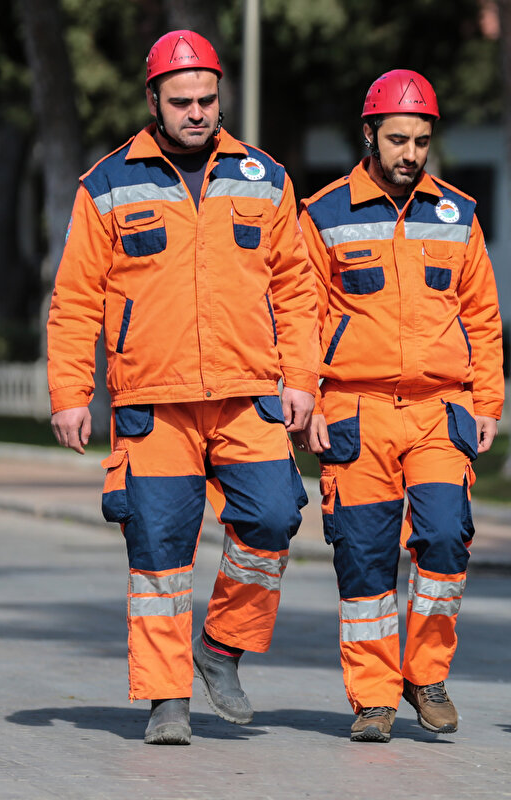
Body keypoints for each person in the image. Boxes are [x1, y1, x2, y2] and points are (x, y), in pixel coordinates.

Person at [45, 30, 318, 746]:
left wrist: (303, 381)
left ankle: (221, 646)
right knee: (160, 549)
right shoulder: (106, 184)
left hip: (249, 390)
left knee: (275, 515)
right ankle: (167, 698)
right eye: (182, 101)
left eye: (207, 98)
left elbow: (295, 289)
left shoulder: (266, 177)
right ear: (153, 103)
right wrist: (70, 392)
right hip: (152, 400)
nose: (197, 112)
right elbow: (75, 298)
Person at [297, 70, 504, 743]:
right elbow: (300, 316)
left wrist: (489, 402)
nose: (411, 152)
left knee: (445, 538)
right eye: (397, 139)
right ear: (369, 136)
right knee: (364, 558)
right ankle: (374, 697)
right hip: (355, 411)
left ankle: (426, 672)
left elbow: (483, 317)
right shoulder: (322, 214)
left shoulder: (459, 215)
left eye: (420, 140)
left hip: (440, 410)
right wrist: (308, 402)